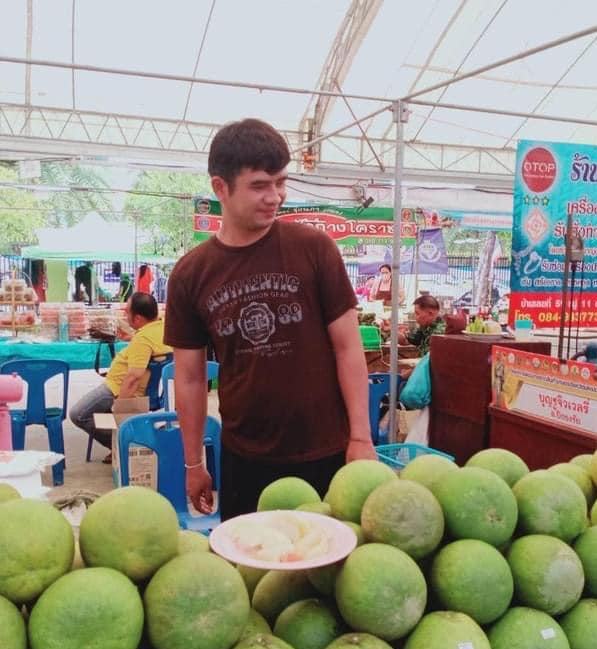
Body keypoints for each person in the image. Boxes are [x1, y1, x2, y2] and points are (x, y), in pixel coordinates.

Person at [164, 117, 376, 519]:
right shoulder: (191, 274)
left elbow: (348, 348)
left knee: (325, 568)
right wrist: (194, 463)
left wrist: (361, 438)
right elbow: (190, 378)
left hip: (326, 451)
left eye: (280, 182)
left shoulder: (315, 249)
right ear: (220, 188)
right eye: (259, 185)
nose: (275, 196)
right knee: (253, 569)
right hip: (246, 457)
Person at [69, 292, 171, 462]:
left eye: (127, 312)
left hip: (119, 388)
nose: (125, 315)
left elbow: (133, 377)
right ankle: (126, 443)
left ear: (138, 318)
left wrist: (120, 407)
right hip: (149, 392)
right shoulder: (162, 328)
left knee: (78, 414)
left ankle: (123, 444)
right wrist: (132, 336)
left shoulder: (143, 339)